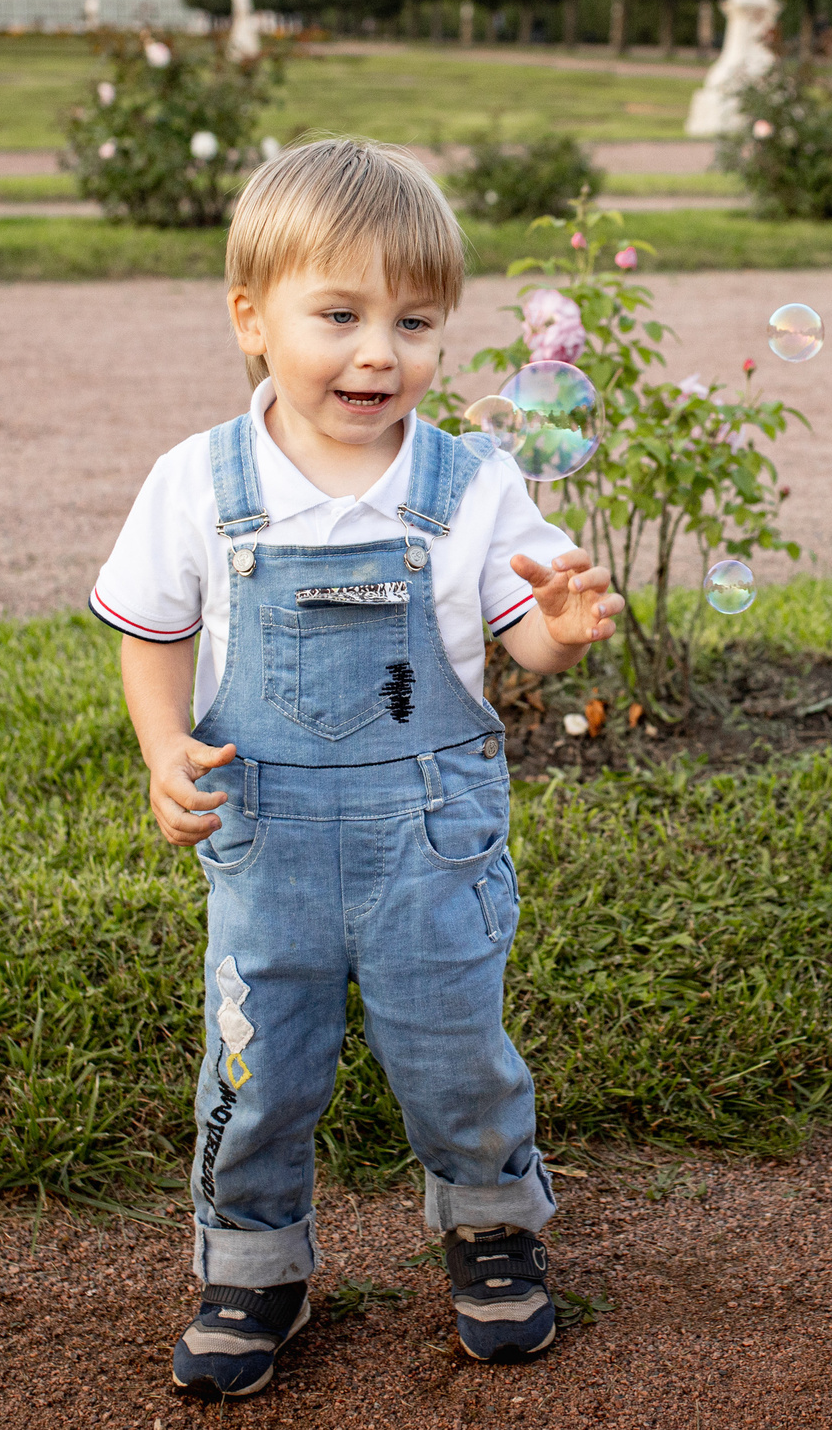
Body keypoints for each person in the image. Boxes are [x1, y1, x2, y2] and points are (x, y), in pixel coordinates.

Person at [89, 138, 625, 1399]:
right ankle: (252, 1261)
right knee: (255, 1063)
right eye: (339, 315)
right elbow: (151, 636)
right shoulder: (198, 483)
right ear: (250, 319)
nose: (380, 351)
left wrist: (564, 625)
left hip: (428, 850)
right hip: (263, 845)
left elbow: (523, 639)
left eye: (415, 320)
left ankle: (492, 1223)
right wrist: (165, 747)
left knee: (455, 1048)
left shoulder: (474, 482)